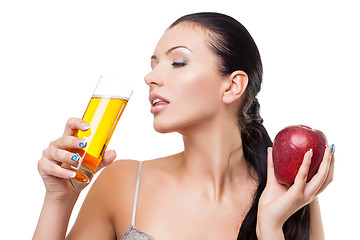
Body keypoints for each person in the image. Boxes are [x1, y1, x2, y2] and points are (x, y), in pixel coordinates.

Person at [33, 12, 334, 240]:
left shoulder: (291, 196)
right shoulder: (123, 184)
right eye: (153, 65)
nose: (150, 78)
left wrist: (270, 227)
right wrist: (59, 199)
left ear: (232, 86)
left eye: (178, 62)